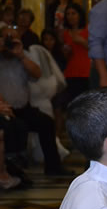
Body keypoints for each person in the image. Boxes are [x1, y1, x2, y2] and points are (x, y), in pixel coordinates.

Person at [0, 25, 71, 176]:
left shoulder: (23, 55)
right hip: (4, 110)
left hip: (23, 108)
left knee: (46, 122)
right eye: (6, 38)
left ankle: (53, 167)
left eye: (13, 38)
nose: (9, 42)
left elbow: (37, 74)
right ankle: (12, 171)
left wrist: (20, 56)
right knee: (15, 129)